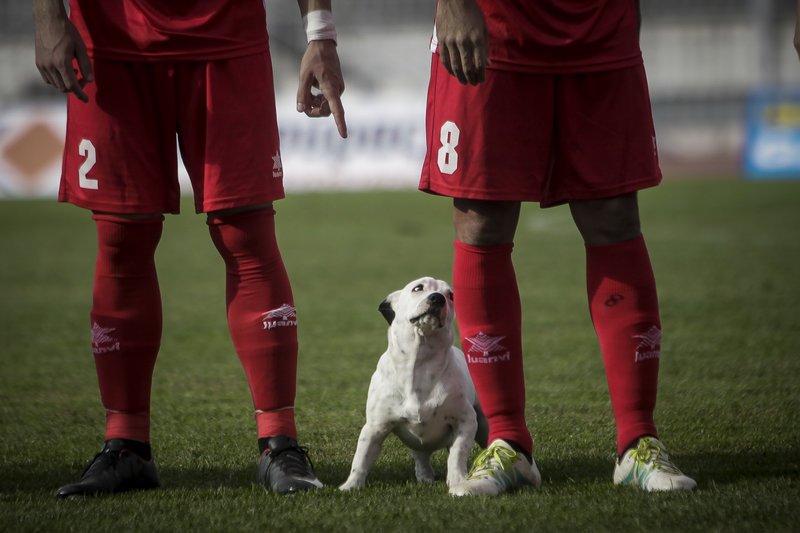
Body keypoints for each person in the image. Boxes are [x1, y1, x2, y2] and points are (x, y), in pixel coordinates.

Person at [33, 0, 346, 496]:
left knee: (246, 233)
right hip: (112, 40)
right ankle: (127, 445)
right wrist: (48, 15)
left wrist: (321, 33)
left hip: (227, 35)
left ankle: (279, 445)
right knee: (121, 238)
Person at [421, 0, 697, 495]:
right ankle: (507, 442)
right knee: (483, 219)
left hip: (598, 20)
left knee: (614, 215)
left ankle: (637, 441)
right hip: (494, 20)